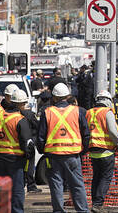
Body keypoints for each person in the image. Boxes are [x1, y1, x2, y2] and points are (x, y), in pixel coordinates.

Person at [36, 83, 90, 213]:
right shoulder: (78, 111)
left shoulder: (47, 112)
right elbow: (86, 134)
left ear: (54, 97)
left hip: (54, 155)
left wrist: (43, 151)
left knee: (56, 185)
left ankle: (59, 210)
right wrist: (83, 150)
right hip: (73, 155)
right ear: (68, 96)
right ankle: (82, 210)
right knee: (77, 185)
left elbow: (41, 136)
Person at [0, 89, 35, 213]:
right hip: (14, 160)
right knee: (17, 189)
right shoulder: (20, 120)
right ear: (21, 104)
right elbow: (28, 144)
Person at [86, 90, 118, 213]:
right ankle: (98, 204)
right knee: (105, 177)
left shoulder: (89, 112)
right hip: (106, 150)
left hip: (92, 150)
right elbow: (113, 131)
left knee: (96, 177)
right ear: (108, 101)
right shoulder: (107, 112)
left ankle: (95, 203)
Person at [18, 94, 41, 194]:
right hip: (29, 144)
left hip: (16, 145)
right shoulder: (29, 114)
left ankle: (22, 184)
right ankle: (31, 185)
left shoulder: (11, 114)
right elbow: (37, 126)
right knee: (30, 166)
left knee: (21, 167)